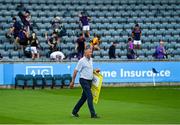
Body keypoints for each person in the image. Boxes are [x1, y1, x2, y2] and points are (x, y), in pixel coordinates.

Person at [69, 46, 100, 118]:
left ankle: (74, 112)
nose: (91, 53)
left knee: (83, 98)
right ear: (85, 53)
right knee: (90, 96)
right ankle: (93, 114)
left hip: (89, 81)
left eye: (91, 52)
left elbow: (89, 70)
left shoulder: (91, 60)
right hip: (83, 80)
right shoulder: (81, 61)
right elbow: (75, 71)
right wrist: (72, 81)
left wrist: (95, 71)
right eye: (89, 52)